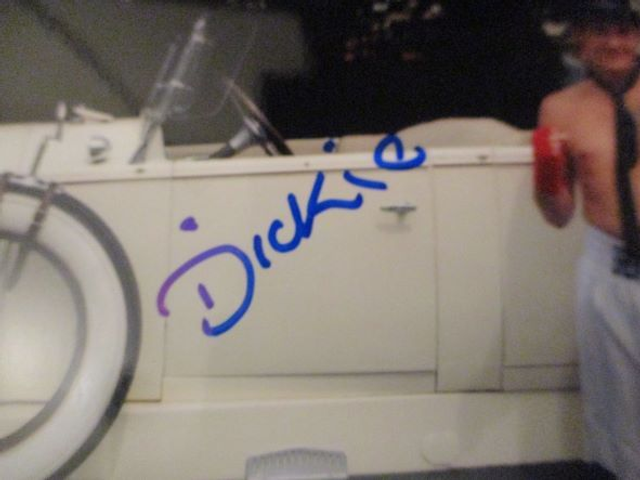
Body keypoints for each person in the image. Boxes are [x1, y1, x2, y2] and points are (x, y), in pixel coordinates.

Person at [534, 1, 640, 478]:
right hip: (609, 268)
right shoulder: (560, 108)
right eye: (601, 31)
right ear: (580, 39)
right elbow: (558, 215)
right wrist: (546, 179)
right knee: (618, 400)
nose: (615, 43)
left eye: (626, 31)